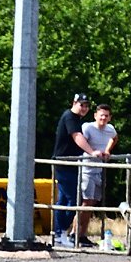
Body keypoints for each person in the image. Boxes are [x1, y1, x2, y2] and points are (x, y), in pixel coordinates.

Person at [51, 92, 91, 247]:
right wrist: (92, 152)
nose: (84, 108)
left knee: (62, 200)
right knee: (73, 200)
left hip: (70, 164)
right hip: (64, 164)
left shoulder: (76, 119)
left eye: (86, 106)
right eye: (82, 105)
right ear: (74, 103)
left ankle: (58, 234)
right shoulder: (69, 117)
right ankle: (60, 232)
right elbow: (77, 136)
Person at [78, 103, 118, 246]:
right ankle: (74, 233)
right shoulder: (88, 127)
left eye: (106, 116)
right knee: (86, 202)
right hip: (87, 168)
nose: (103, 118)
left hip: (99, 170)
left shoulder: (110, 129)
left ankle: (82, 234)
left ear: (110, 117)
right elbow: (79, 140)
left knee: (93, 202)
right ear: (95, 115)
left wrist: (107, 150)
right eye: (101, 115)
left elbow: (115, 138)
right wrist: (92, 152)